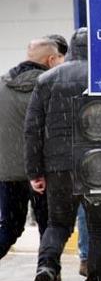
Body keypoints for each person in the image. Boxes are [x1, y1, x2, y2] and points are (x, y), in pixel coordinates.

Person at [25, 28, 101, 281]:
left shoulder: (47, 79)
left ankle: (47, 271)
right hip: (100, 164)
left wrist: (35, 171)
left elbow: (32, 129)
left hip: (59, 166)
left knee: (57, 225)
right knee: (100, 230)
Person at [0, 36, 65, 261]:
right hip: (42, 173)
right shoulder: (52, 87)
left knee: (9, 228)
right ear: (50, 59)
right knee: (50, 228)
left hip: (8, 174)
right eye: (59, 59)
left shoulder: (2, 85)